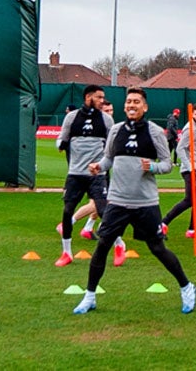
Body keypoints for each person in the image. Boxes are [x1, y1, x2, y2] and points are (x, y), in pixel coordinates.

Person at [74, 87, 196, 315]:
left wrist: (153, 167)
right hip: (117, 201)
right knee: (102, 247)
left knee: (157, 248)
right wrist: (99, 166)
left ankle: (187, 287)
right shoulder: (116, 130)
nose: (132, 105)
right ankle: (89, 296)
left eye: (136, 102)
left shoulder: (154, 132)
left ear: (145, 106)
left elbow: (167, 164)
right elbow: (109, 158)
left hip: (145, 203)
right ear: (124, 106)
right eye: (129, 101)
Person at [54, 85, 124, 267]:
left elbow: (112, 146)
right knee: (67, 210)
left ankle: (119, 244)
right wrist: (61, 143)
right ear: (88, 97)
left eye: (103, 97)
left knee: (103, 211)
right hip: (75, 174)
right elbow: (61, 139)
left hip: (97, 174)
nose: (102, 100)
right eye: (99, 97)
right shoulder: (72, 117)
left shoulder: (106, 120)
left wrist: (104, 164)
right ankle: (67, 253)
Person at [56, 102, 117, 241]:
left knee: (103, 202)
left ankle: (88, 228)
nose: (110, 112)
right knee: (98, 203)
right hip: (91, 172)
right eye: (107, 110)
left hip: (102, 169)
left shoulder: (108, 126)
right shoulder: (93, 127)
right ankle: (68, 223)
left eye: (111, 110)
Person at [162, 103, 196, 238]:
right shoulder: (190, 129)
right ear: (192, 115)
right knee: (190, 200)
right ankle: (162, 224)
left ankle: (192, 230)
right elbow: (180, 149)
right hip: (190, 170)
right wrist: (190, 168)